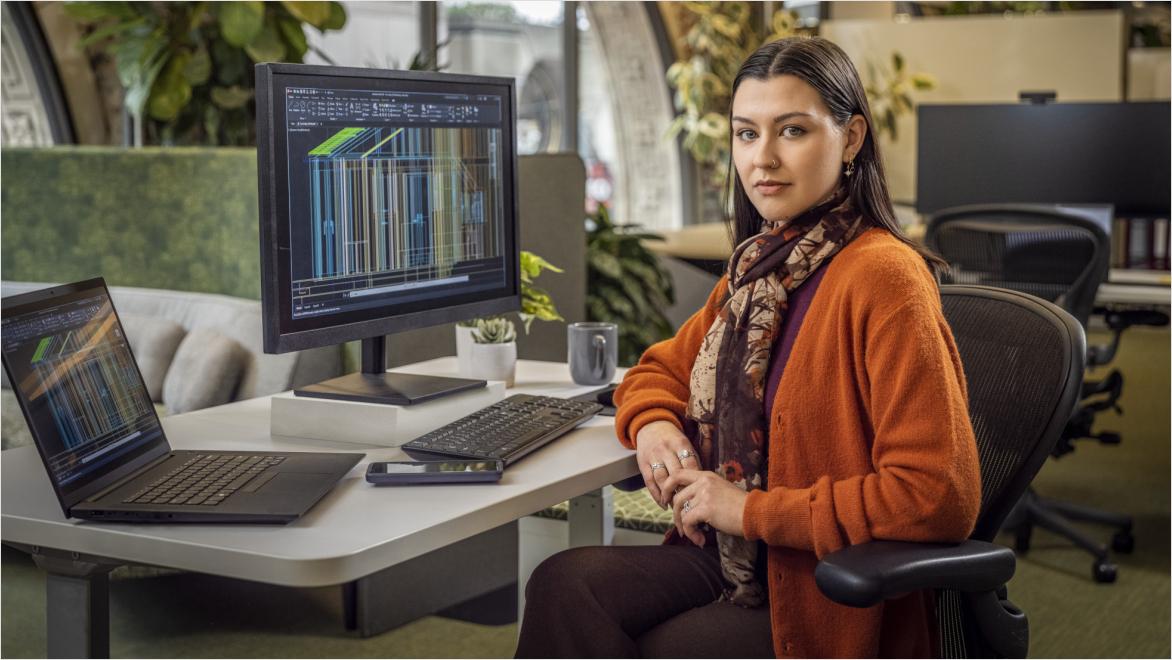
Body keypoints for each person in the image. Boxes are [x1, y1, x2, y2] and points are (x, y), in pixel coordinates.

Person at [515, 36, 981, 658]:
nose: (762, 158)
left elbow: (938, 496)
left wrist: (750, 511)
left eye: (792, 130)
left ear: (851, 138)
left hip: (820, 586)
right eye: (745, 133)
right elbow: (656, 372)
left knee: (657, 646)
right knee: (564, 586)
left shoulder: (883, 278)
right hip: (734, 560)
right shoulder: (761, 271)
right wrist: (654, 427)